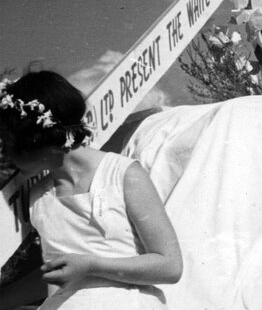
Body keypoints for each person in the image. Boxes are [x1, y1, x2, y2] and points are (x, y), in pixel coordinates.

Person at [0, 72, 182, 309]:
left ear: (36, 138)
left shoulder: (122, 174)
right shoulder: (38, 196)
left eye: (9, 144)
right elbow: (54, 276)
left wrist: (92, 266)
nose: (6, 156)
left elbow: (170, 266)